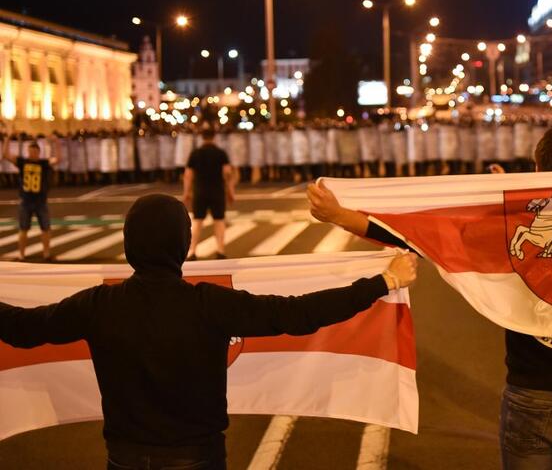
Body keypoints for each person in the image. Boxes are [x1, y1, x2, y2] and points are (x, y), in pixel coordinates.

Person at [0, 193, 418, 469]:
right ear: (183, 245)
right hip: (195, 457)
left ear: (129, 245)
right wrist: (382, 283)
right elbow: (299, 314)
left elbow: (21, 329)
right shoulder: (209, 304)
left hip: (124, 457)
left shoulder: (98, 305)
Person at [308, 126, 552, 468]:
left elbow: (419, 232)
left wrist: (339, 215)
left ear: (536, 169)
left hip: (530, 392)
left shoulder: (508, 222)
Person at [2, 133, 60, 261]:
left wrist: (57, 143)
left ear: (38, 152)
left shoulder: (43, 163)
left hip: (40, 201)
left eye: (34, 151)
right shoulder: (23, 162)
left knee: (45, 228)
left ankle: (46, 254)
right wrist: (6, 140)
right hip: (25, 201)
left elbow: (57, 159)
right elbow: (6, 156)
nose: (32, 154)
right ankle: (21, 254)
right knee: (23, 229)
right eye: (30, 151)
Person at [183, 128, 236, 260]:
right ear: (214, 137)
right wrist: (230, 191)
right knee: (219, 220)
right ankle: (220, 250)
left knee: (197, 221)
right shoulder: (220, 153)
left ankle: (192, 251)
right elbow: (227, 173)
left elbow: (188, 175)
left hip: (200, 191)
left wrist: (186, 192)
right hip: (217, 191)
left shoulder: (195, 153)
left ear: (202, 137)